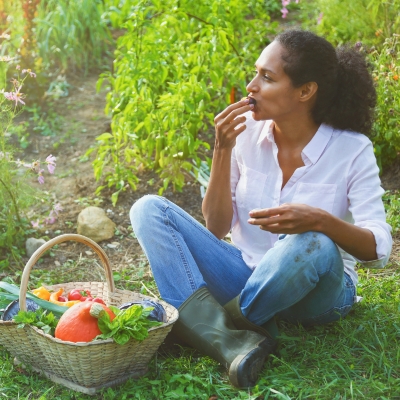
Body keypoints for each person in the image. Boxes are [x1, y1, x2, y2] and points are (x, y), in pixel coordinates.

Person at [130, 29, 392, 388]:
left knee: (311, 241)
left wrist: (320, 221)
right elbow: (217, 227)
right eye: (255, 73)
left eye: (266, 78)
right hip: (246, 275)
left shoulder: (352, 150)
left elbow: (378, 250)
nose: (251, 86)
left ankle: (196, 327)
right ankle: (230, 337)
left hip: (319, 294)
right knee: (148, 209)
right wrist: (222, 149)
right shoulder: (248, 135)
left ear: (305, 91)